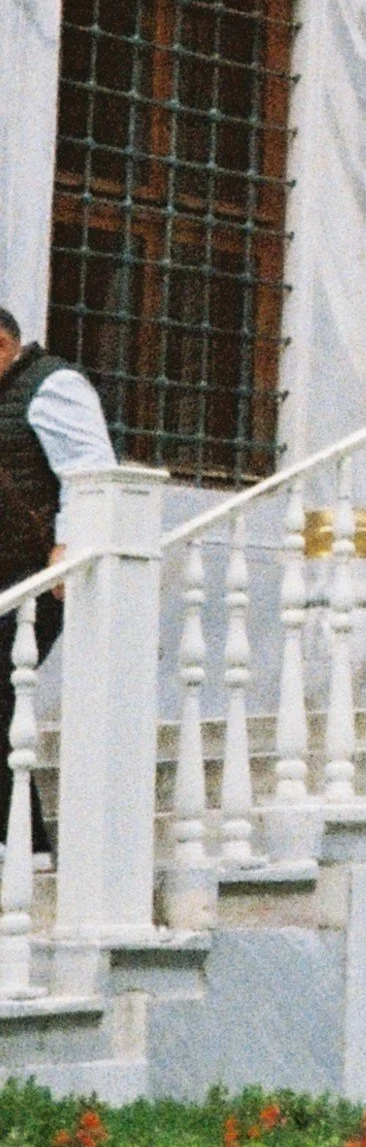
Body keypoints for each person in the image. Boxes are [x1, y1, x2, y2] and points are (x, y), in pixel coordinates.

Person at [0, 309, 116, 859]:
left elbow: (91, 470)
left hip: (35, 579)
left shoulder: (54, 387)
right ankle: (25, 844)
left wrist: (68, 544)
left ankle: (25, 848)